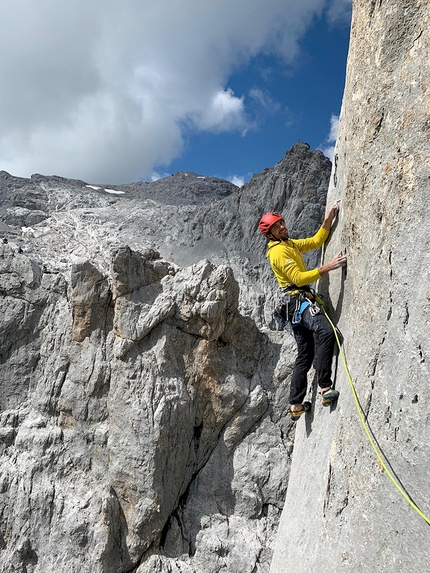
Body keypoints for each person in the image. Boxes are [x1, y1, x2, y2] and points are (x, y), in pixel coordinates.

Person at [259, 201, 347, 421]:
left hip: (292, 307)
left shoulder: (289, 245)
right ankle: (325, 388)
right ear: (270, 235)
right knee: (326, 332)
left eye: (281, 223)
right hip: (298, 302)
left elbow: (316, 241)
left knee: (305, 354)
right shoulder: (279, 252)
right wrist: (330, 266)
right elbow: (298, 278)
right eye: (277, 227)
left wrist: (329, 217)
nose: (282, 227)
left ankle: (296, 405)